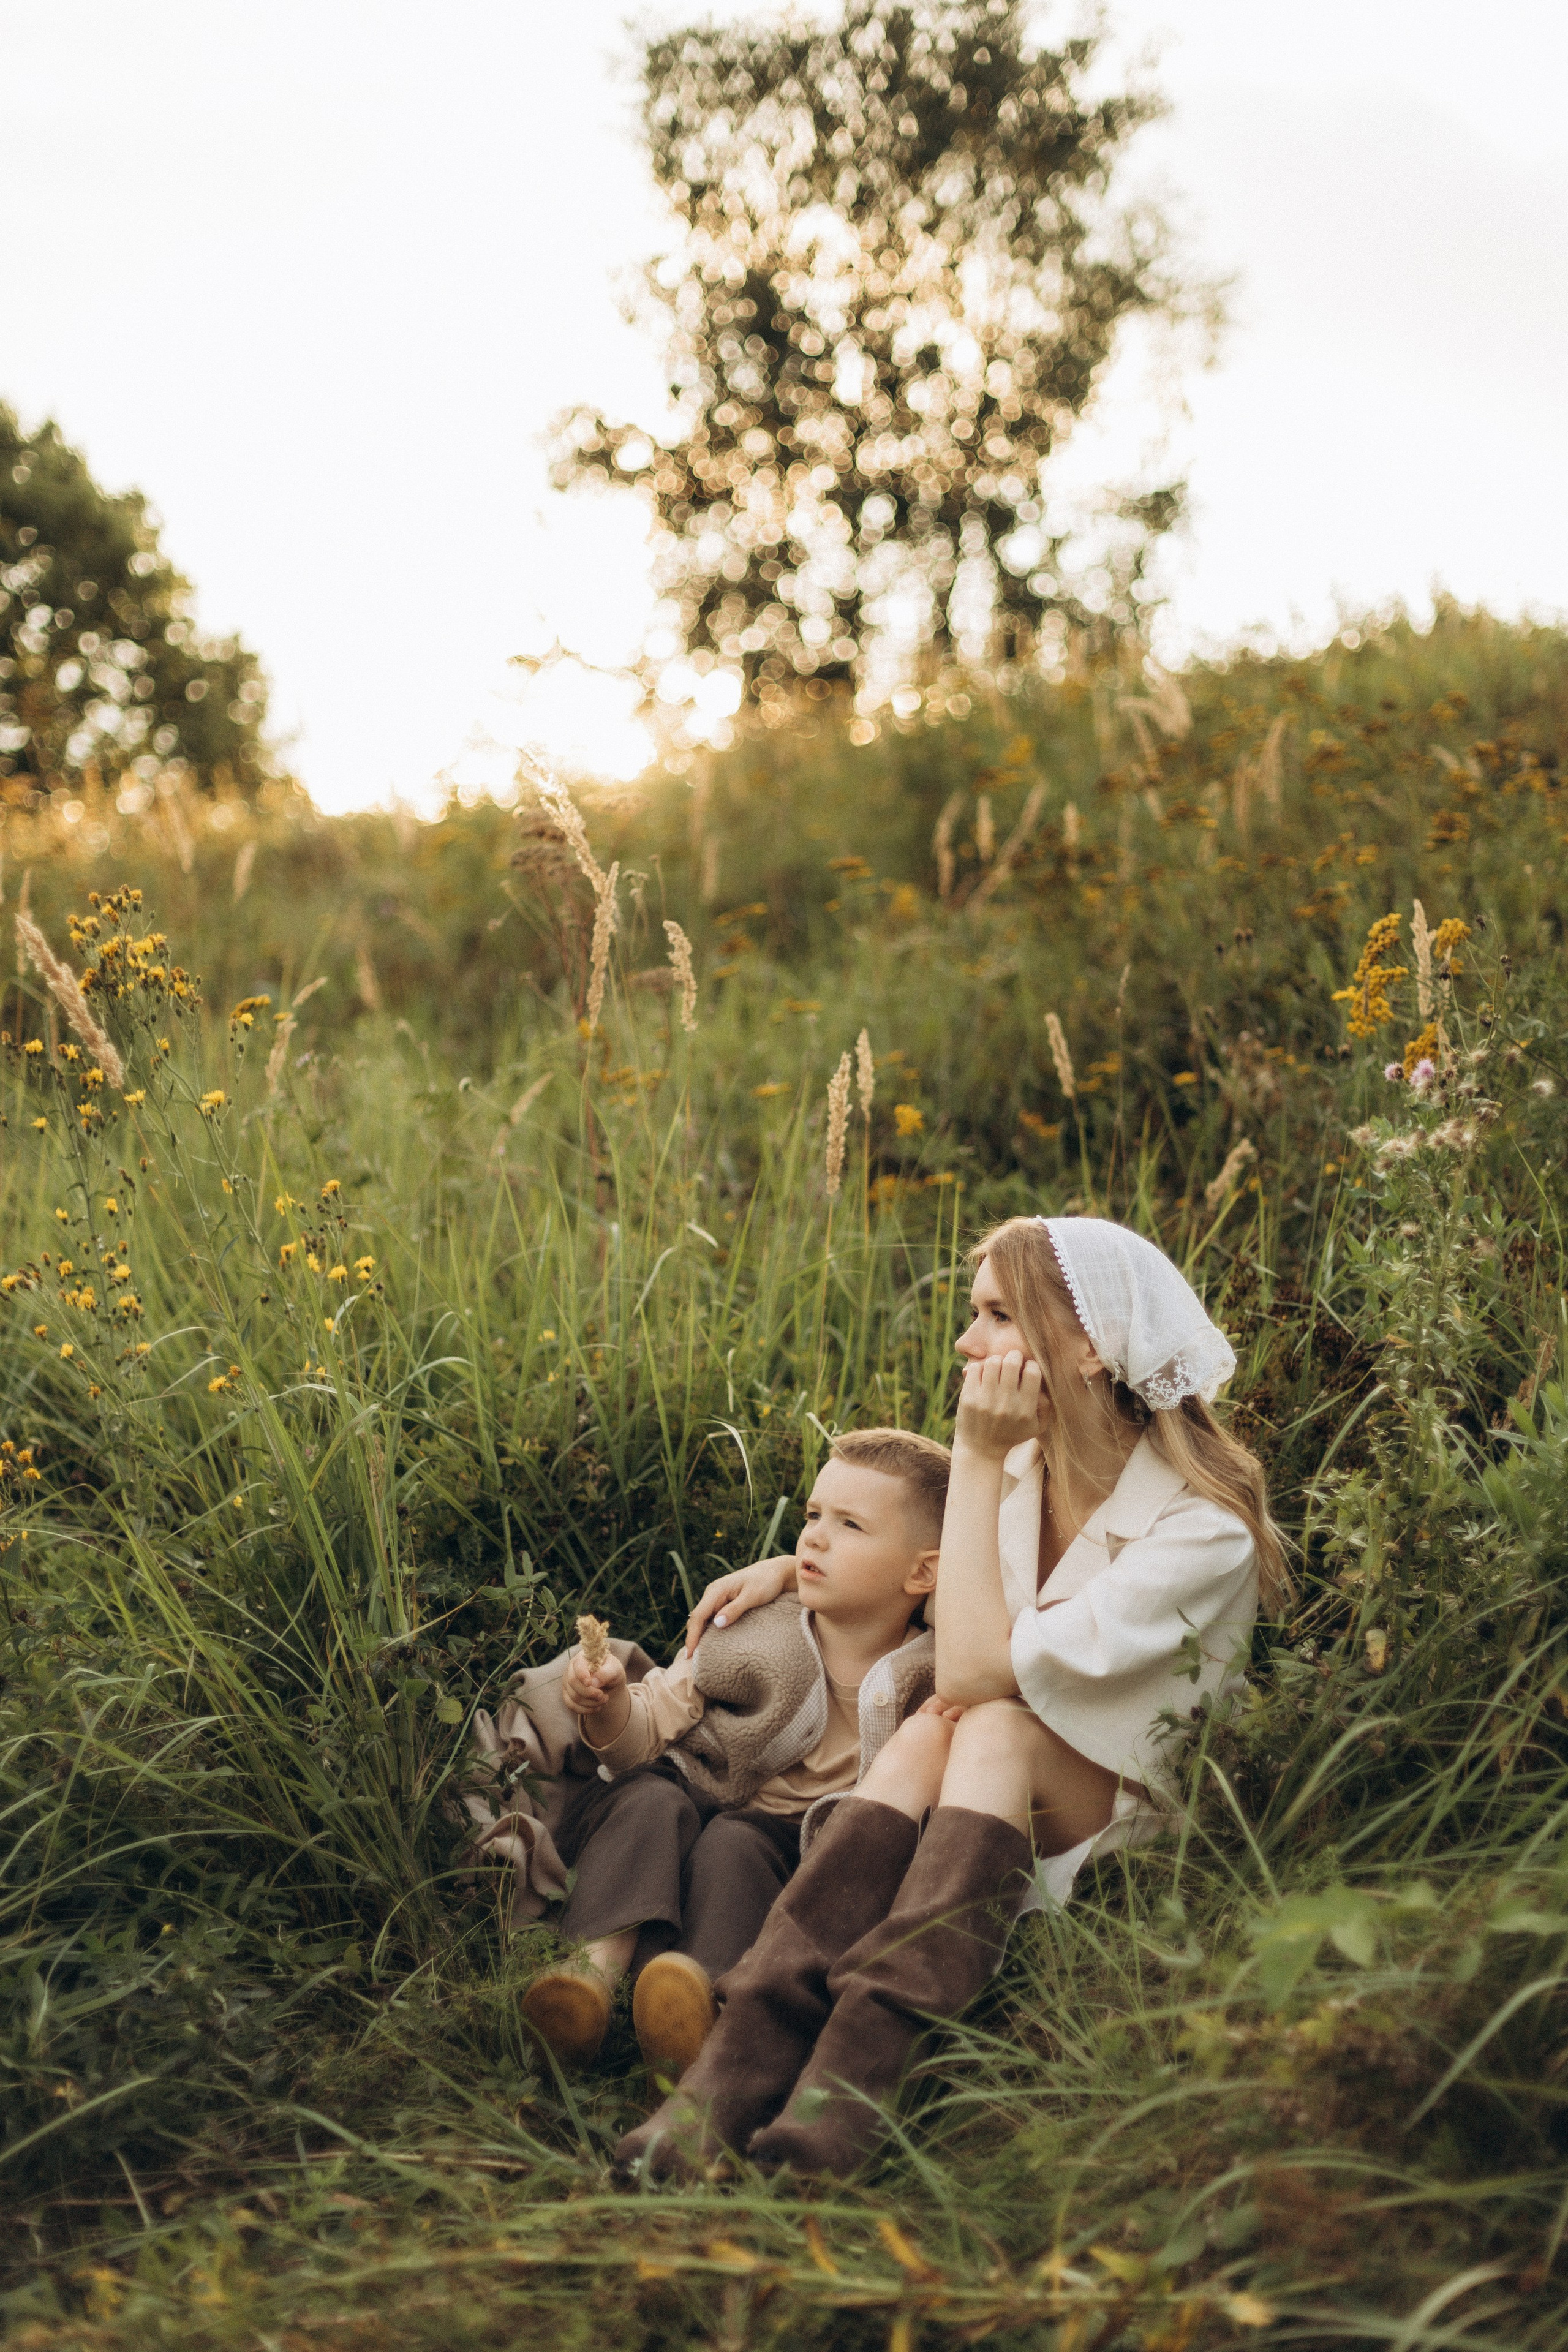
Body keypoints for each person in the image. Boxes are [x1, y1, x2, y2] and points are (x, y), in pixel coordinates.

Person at [614, 1213, 1288, 2180]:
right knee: (944, 1728)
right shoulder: (1024, 1469)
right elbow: (928, 1567)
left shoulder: (1201, 1534)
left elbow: (975, 1668)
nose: (968, 1344)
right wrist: (788, 1566)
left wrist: (971, 1458)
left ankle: (844, 2095)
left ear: (1089, 1347)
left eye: (996, 1316)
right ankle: (733, 2075)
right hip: (977, 1775)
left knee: (987, 1721)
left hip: (1117, 1810)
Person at [518, 1427, 953, 2079]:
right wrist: (609, 1703)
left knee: (737, 1849)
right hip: (679, 1790)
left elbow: (986, 1608)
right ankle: (587, 1979)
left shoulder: (934, 1668)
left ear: (923, 1571)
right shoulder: (755, 1630)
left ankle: (696, 2010)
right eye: (811, 1516)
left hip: (778, 1845)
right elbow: (648, 1728)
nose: (812, 1538)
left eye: (851, 1525)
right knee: (649, 1802)